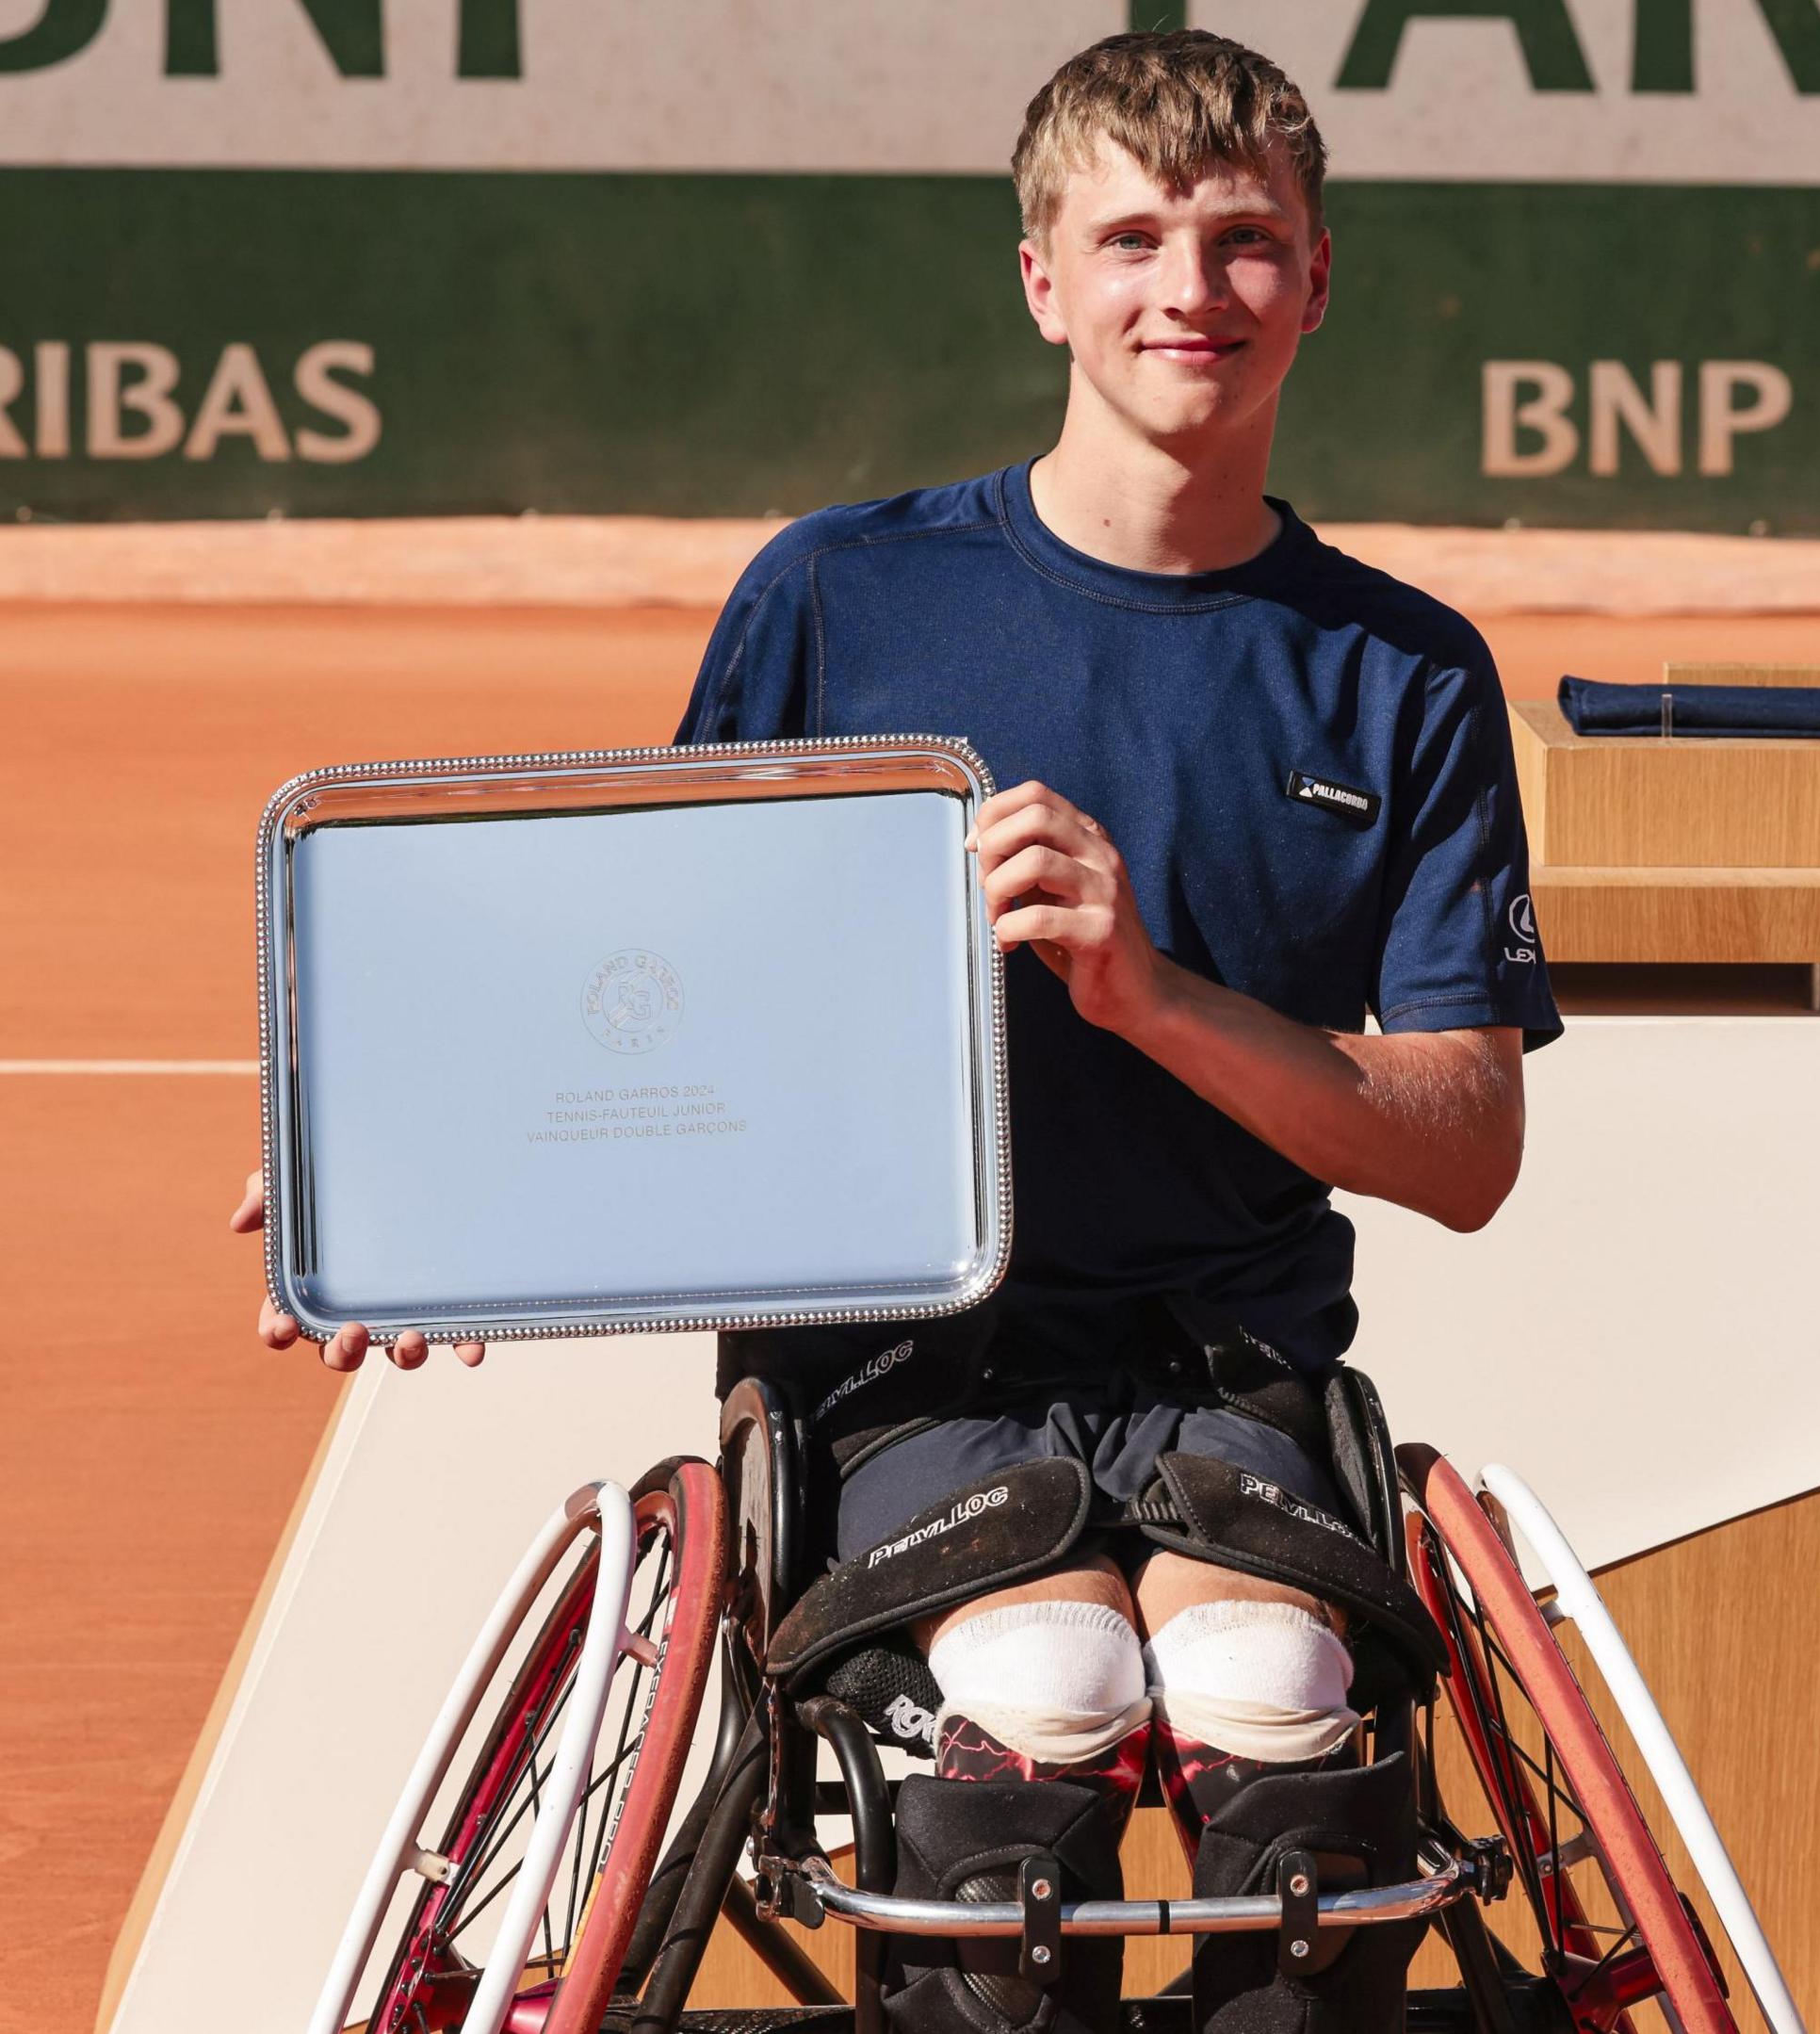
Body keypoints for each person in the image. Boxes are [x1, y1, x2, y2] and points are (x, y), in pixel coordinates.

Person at [237, 31, 1556, 2031]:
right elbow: (641, 973)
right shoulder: (841, 601)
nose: (1187, 288)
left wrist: (1147, 993)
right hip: (906, 1375)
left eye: (1243, 240)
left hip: (1238, 1373)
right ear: (1043, 279)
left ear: (1317, 274)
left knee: (1267, 1695)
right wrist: (413, 1190)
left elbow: (1461, 1146)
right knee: (1047, 1688)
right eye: (1130, 238)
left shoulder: (1408, 673)